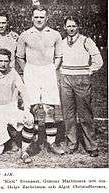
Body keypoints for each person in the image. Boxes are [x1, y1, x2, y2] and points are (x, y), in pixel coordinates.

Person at [16, 5, 64, 155]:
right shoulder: (25, 35)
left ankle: (51, 143)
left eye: (41, 17)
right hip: (31, 71)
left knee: (49, 108)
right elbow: (19, 57)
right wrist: (28, 71)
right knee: (34, 108)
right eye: (36, 17)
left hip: (48, 71)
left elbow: (59, 56)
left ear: (46, 18)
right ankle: (33, 142)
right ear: (31, 18)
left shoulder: (55, 34)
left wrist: (51, 69)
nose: (38, 20)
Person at [59, 16, 103, 157]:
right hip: (65, 79)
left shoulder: (86, 40)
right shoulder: (61, 42)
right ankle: (72, 144)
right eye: (68, 26)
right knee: (68, 114)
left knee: (85, 114)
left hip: (82, 79)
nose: (71, 29)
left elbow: (98, 60)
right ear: (64, 27)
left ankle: (91, 146)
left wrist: (88, 71)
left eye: (74, 26)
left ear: (78, 27)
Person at [0, 49, 35, 163]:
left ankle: (24, 151)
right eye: (0, 61)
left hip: (11, 109)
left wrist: (27, 110)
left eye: (6, 61)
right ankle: (9, 138)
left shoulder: (13, 73)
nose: (3, 64)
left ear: (10, 61)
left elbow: (23, 91)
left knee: (29, 119)